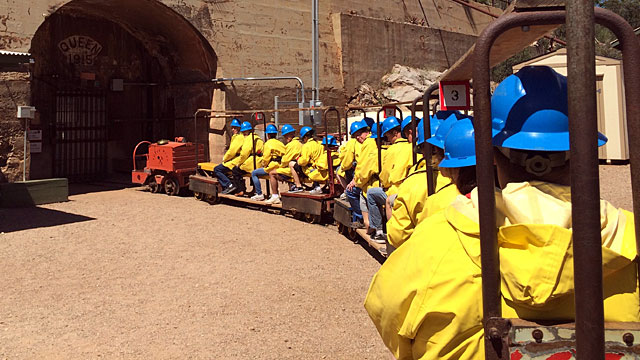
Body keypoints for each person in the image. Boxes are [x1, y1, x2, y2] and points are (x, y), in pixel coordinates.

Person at [364, 66, 639, 359]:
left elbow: (389, 317)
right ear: (585, 150)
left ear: (491, 153)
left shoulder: (433, 242)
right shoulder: (630, 237)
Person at [365, 116, 413, 243]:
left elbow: (385, 176)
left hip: (395, 190)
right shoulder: (412, 147)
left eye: (387, 136)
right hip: (411, 188)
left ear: (394, 133)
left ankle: (379, 231)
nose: (386, 139)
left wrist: (384, 184)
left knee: (371, 193)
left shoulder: (392, 151)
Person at [266, 124, 302, 204]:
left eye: (287, 135)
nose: (286, 138)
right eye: (285, 136)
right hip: (298, 166)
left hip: (292, 168)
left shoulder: (291, 145)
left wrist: (280, 165)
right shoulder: (298, 143)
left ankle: (275, 196)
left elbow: (285, 160)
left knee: (272, 173)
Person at [226, 121, 264, 195]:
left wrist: (239, 163)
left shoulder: (249, 139)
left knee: (236, 170)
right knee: (250, 169)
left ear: (247, 131)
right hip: (259, 161)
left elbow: (244, 154)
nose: (243, 133)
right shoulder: (257, 137)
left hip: (253, 162)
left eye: (244, 132)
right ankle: (254, 189)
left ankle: (240, 190)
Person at [250, 124, 285, 201]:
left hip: (272, 166)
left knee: (254, 173)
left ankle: (259, 194)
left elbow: (266, 158)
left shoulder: (268, 144)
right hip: (281, 166)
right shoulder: (280, 143)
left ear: (268, 135)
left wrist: (263, 165)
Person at [289, 126, 324, 193]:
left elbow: (304, 161)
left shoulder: (306, 146)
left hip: (310, 169)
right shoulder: (320, 143)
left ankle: (298, 186)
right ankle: (315, 185)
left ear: (305, 137)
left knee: (291, 164)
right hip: (320, 167)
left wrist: (298, 160)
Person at [214, 118, 244, 193]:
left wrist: (225, 158)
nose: (233, 129)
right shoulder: (239, 137)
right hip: (236, 159)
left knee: (217, 169)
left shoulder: (238, 138)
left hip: (236, 160)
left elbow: (232, 151)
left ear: (239, 128)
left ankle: (229, 185)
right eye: (232, 128)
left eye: (235, 128)